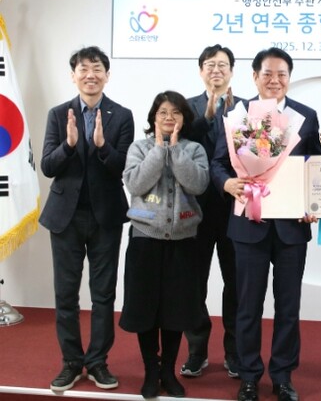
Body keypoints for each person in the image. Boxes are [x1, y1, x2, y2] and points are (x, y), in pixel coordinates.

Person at [211, 47, 321, 401]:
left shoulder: (305, 116)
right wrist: (226, 183)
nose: (275, 80)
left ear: (289, 77)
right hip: (248, 224)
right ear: (255, 76)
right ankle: (248, 376)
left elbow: (314, 167)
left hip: (291, 228)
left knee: (288, 306)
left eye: (282, 74)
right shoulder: (237, 114)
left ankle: (283, 376)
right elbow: (218, 163)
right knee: (248, 306)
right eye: (268, 74)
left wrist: (313, 204)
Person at [40, 46, 134, 392]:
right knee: (65, 294)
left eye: (97, 69)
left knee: (103, 294)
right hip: (65, 217)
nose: (90, 75)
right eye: (83, 69)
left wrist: (102, 146)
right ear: (73, 75)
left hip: (105, 217)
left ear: (107, 76)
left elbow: (124, 167)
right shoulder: (58, 114)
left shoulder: (121, 115)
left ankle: (97, 362)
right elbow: (47, 166)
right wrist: (68, 145)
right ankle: (70, 362)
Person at [120, 91, 210, 399]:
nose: (169, 117)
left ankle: (168, 371)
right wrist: (159, 150)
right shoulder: (139, 148)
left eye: (176, 112)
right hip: (145, 239)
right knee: (146, 310)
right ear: (153, 118)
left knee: (176, 311)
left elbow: (197, 184)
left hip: (183, 242)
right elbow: (135, 184)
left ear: (184, 118)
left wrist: (175, 150)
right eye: (162, 113)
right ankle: (150, 371)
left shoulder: (194, 149)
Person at [181, 44, 244, 379]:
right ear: (200, 70)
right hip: (196, 208)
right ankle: (197, 350)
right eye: (210, 64)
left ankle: (234, 351)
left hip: (236, 207)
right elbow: (180, 144)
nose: (216, 70)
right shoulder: (185, 107)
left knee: (236, 283)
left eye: (222, 65)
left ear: (232, 70)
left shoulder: (247, 108)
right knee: (194, 283)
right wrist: (206, 117)